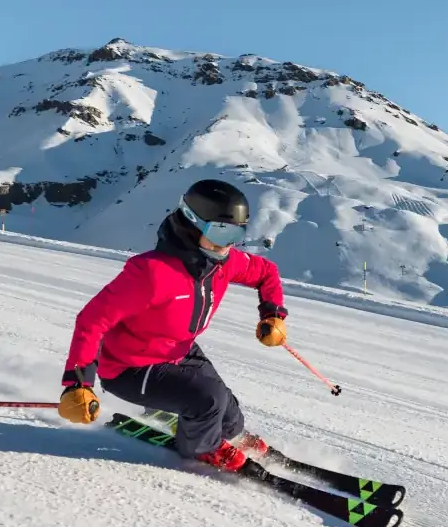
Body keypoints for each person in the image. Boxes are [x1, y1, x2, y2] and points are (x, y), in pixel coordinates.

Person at [54, 179, 288, 472]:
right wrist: (78, 384)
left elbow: (267, 273)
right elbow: (92, 320)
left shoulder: (223, 262)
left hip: (180, 350)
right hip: (131, 366)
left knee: (229, 414)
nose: (227, 243)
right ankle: (201, 448)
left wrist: (273, 313)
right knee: (209, 400)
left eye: (237, 233)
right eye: (220, 231)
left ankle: (204, 425)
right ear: (192, 224)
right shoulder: (151, 272)